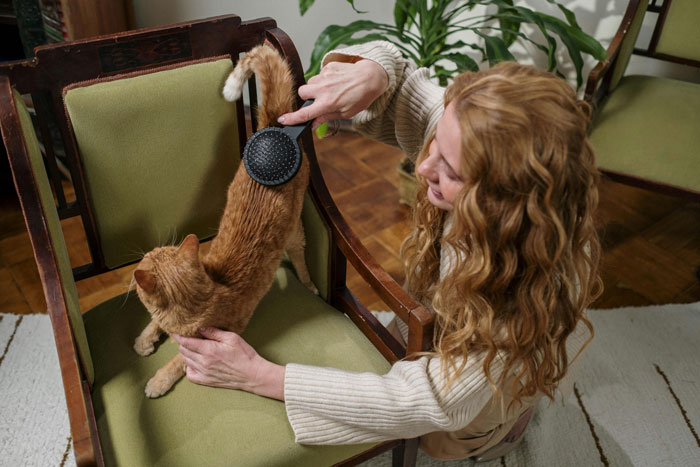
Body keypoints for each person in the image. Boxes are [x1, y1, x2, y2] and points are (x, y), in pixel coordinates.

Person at [171, 41, 601, 460]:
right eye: (435, 144)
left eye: (449, 170)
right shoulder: (469, 133)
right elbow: (407, 89)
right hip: (446, 319)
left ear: (501, 202)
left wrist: (260, 376)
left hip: (473, 387)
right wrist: (375, 71)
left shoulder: (514, 311)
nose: (423, 166)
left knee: (439, 440)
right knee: (396, 354)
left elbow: (428, 400)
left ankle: (502, 430)